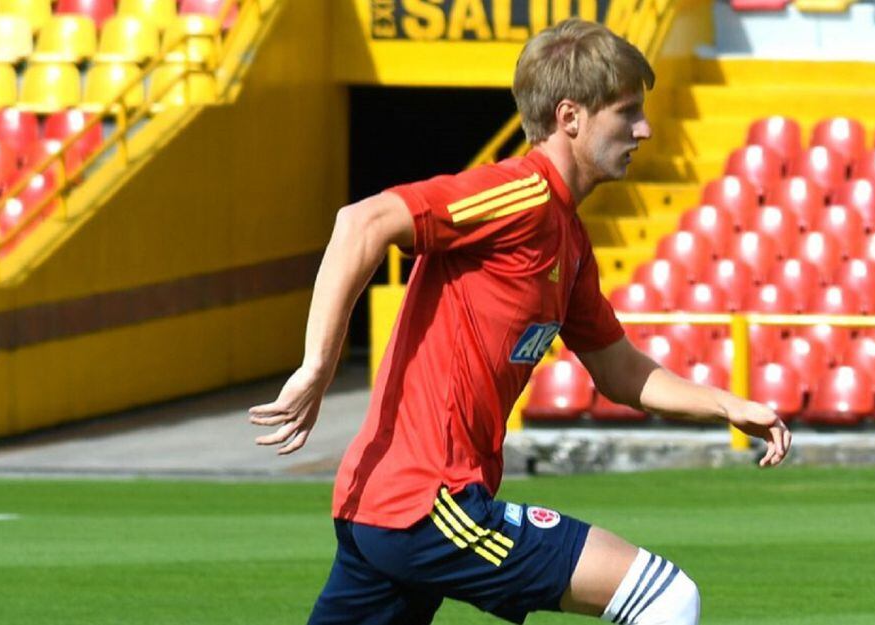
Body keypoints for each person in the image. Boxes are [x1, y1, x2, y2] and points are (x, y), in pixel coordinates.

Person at [249, 18, 791, 625]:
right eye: (628, 112)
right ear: (570, 117)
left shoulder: (568, 236)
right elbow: (362, 222)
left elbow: (618, 369)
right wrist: (317, 366)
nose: (644, 129)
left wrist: (726, 406)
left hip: (385, 508)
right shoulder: (517, 195)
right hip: (429, 503)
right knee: (666, 596)